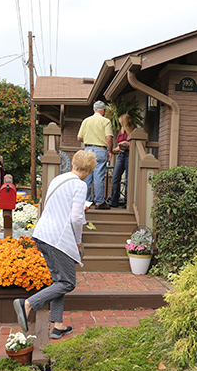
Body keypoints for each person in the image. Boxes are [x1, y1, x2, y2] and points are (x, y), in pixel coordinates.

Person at [13, 150, 96, 339]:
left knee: (59, 281)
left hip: (43, 234)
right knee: (68, 282)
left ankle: (58, 325)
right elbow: (76, 218)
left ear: (74, 163)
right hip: (58, 238)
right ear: (90, 169)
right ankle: (28, 304)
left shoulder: (58, 179)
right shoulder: (80, 185)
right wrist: (78, 242)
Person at [77, 100, 113, 209]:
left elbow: (79, 138)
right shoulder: (105, 121)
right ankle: (99, 202)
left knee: (87, 177)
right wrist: (110, 151)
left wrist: (89, 138)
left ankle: (85, 203)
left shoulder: (86, 121)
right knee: (98, 177)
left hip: (87, 150)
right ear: (102, 110)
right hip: (100, 150)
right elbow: (108, 138)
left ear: (94, 110)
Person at [109, 113, 135, 208]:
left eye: (121, 123)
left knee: (128, 179)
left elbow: (135, 144)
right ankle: (114, 201)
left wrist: (126, 143)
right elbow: (119, 145)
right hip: (121, 155)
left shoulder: (134, 131)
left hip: (129, 155)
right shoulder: (122, 132)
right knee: (116, 177)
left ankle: (127, 202)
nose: (121, 125)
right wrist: (114, 149)